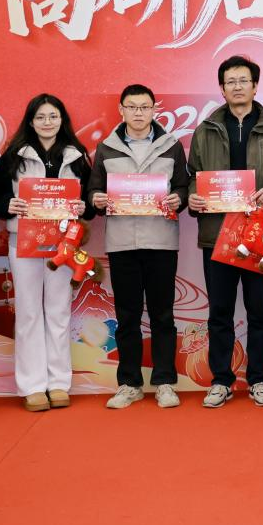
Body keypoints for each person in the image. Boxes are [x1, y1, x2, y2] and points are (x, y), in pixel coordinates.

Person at [187, 56, 263, 408]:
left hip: (260, 236)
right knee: (219, 312)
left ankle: (259, 380)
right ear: (222, 88)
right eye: (230, 81)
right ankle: (221, 380)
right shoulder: (205, 129)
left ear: (255, 85)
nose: (237, 87)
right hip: (217, 236)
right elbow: (193, 175)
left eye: (243, 80)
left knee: (259, 312)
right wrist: (193, 195)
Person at [87, 84, 189, 410]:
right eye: (132, 107)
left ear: (154, 110)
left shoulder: (171, 146)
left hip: (161, 240)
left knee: (163, 315)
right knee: (127, 316)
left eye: (145, 107)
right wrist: (97, 199)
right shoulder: (106, 148)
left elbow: (184, 186)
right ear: (121, 110)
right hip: (122, 243)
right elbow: (93, 191)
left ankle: (165, 382)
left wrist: (179, 198)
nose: (139, 113)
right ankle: (129, 384)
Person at [0, 94, 93, 412]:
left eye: (53, 116)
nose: (47, 122)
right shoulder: (14, 155)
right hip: (24, 243)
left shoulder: (77, 155)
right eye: (41, 117)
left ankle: (59, 383)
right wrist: (8, 204)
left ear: (62, 120)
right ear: (31, 121)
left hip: (63, 245)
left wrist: (84, 206)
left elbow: (90, 201)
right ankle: (33, 385)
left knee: (59, 311)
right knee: (29, 312)